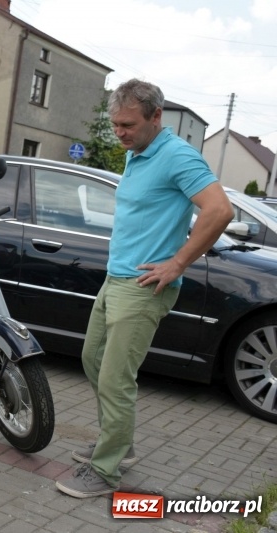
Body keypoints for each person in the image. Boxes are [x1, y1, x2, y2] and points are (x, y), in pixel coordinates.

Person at [55, 79, 233, 499]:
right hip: (117, 278)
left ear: (156, 116)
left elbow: (219, 210)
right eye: (115, 124)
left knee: (117, 378)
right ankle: (120, 444)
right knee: (93, 358)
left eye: (128, 124)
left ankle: (106, 470)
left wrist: (177, 263)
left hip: (142, 287)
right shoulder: (138, 154)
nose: (120, 132)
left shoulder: (177, 156)